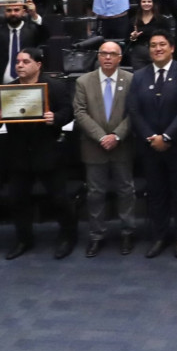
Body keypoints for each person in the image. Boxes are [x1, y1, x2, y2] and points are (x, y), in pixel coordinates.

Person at [0, 49, 76, 260]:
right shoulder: (7, 90)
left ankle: (68, 237)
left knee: (59, 199)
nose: (19, 65)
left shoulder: (55, 86)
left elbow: (68, 111)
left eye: (25, 62)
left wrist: (55, 118)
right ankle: (23, 240)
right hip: (18, 154)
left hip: (48, 152)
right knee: (18, 200)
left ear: (38, 64)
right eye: (18, 62)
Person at [127, 32, 177, 257]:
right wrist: (152, 138)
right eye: (153, 45)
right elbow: (134, 111)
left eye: (162, 45)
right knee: (156, 194)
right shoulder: (138, 76)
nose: (157, 49)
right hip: (150, 148)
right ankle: (159, 237)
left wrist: (166, 137)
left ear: (172, 48)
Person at [72, 40, 135, 256]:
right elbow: (80, 113)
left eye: (112, 54)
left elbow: (134, 112)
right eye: (103, 53)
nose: (107, 57)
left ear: (120, 58)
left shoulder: (131, 80)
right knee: (95, 193)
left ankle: (127, 233)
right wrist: (102, 137)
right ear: (98, 57)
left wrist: (116, 135)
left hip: (122, 145)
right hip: (94, 146)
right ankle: (96, 235)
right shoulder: (83, 81)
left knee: (126, 190)